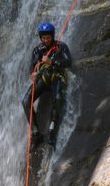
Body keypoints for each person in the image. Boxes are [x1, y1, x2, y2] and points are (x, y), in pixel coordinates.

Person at [22, 22, 72, 150]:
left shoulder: (61, 46)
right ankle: (35, 133)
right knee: (26, 101)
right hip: (43, 78)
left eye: (48, 38)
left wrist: (52, 62)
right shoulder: (37, 50)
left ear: (53, 36)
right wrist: (32, 74)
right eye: (43, 38)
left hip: (56, 77)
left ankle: (51, 133)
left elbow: (68, 62)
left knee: (57, 100)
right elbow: (33, 67)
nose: (46, 40)